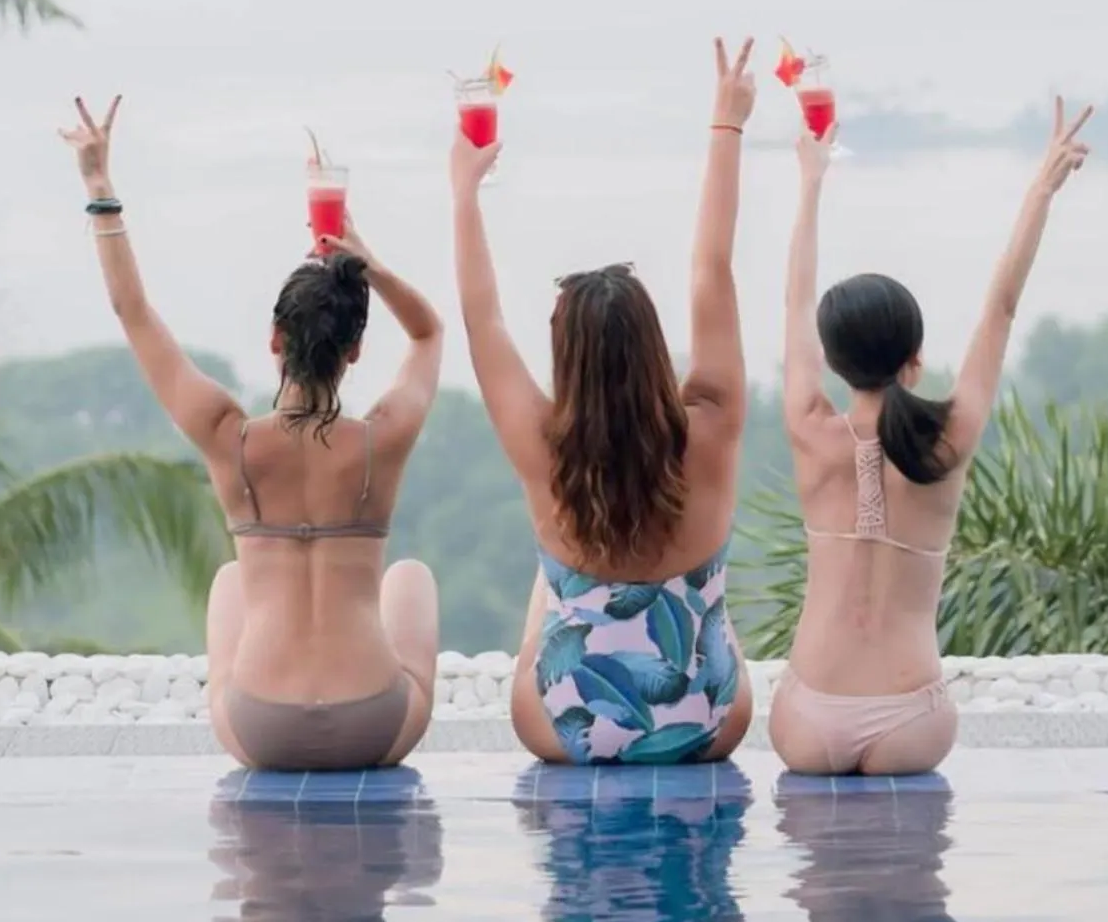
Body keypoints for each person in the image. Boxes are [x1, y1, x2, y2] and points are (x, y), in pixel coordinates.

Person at [59, 95, 444, 771]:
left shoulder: (226, 437)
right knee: (409, 577)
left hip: (261, 731)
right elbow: (429, 331)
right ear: (354, 352)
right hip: (374, 726)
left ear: (274, 339)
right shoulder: (382, 440)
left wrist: (100, 189)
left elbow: (134, 312)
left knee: (233, 582)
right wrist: (366, 262)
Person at [451, 40, 758, 765]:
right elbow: (712, 267)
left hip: (568, 724)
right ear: (653, 346)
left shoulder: (543, 447)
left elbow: (481, 317)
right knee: (706, 601)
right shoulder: (712, 422)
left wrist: (463, 191)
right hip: (708, 719)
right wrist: (728, 124)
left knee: (549, 585)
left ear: (568, 360)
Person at [771, 96, 1093, 776]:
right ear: (915, 357)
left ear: (832, 362)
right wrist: (1041, 189)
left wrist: (811, 178)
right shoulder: (949, 438)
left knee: (818, 881)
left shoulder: (808, 425)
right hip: (910, 719)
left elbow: (795, 301)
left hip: (807, 717)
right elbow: (1001, 307)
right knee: (907, 877)